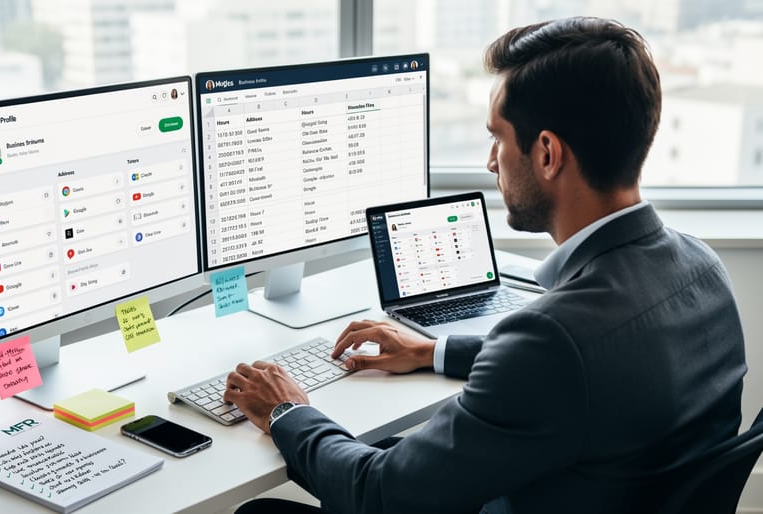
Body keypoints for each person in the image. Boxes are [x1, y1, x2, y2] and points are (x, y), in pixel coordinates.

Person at [224, 17, 747, 514]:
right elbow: (595, 373)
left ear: (547, 154)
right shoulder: (702, 269)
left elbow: (378, 496)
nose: (492, 161)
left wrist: (286, 410)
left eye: (498, 136)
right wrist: (435, 351)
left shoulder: (551, 338)